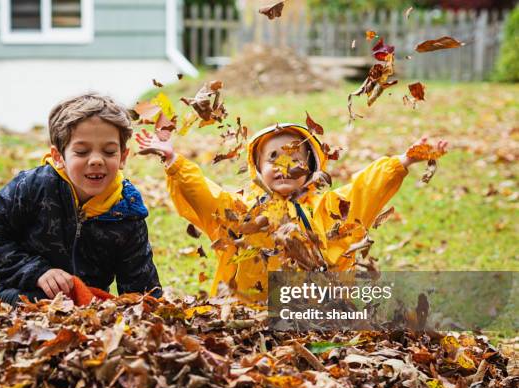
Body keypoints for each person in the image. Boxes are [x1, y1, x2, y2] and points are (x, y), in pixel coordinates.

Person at [137, 123, 443, 301]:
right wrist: (174, 161)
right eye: (273, 158)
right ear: (257, 168)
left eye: (295, 157)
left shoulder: (327, 209)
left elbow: (365, 189)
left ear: (309, 168)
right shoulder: (241, 209)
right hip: (247, 310)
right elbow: (204, 194)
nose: (284, 166)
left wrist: (404, 161)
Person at [0, 94, 161, 307]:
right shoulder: (34, 186)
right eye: (81, 152)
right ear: (58, 156)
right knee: (39, 304)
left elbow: (141, 287)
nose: (97, 160)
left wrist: (148, 315)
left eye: (109, 152)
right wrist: (36, 272)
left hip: (84, 303)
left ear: (123, 157)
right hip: (17, 292)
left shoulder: (127, 211)